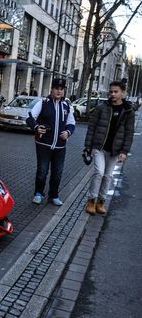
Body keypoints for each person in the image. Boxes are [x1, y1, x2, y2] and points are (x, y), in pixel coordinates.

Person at [83, 81, 135, 215]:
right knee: (99, 172)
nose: (112, 94)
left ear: (123, 93)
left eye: (115, 91)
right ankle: (91, 200)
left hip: (115, 150)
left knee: (108, 176)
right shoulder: (102, 108)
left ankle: (101, 202)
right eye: (111, 91)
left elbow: (129, 133)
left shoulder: (128, 111)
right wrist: (87, 147)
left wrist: (124, 151)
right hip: (99, 147)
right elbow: (91, 128)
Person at [26, 78, 76, 206]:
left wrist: (68, 133)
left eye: (61, 89)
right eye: (56, 88)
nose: (59, 91)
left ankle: (53, 195)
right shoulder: (43, 103)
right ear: (52, 90)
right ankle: (38, 193)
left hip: (60, 146)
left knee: (57, 172)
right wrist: (37, 128)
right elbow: (30, 117)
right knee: (42, 171)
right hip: (43, 145)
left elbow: (71, 123)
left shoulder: (67, 106)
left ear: (64, 91)